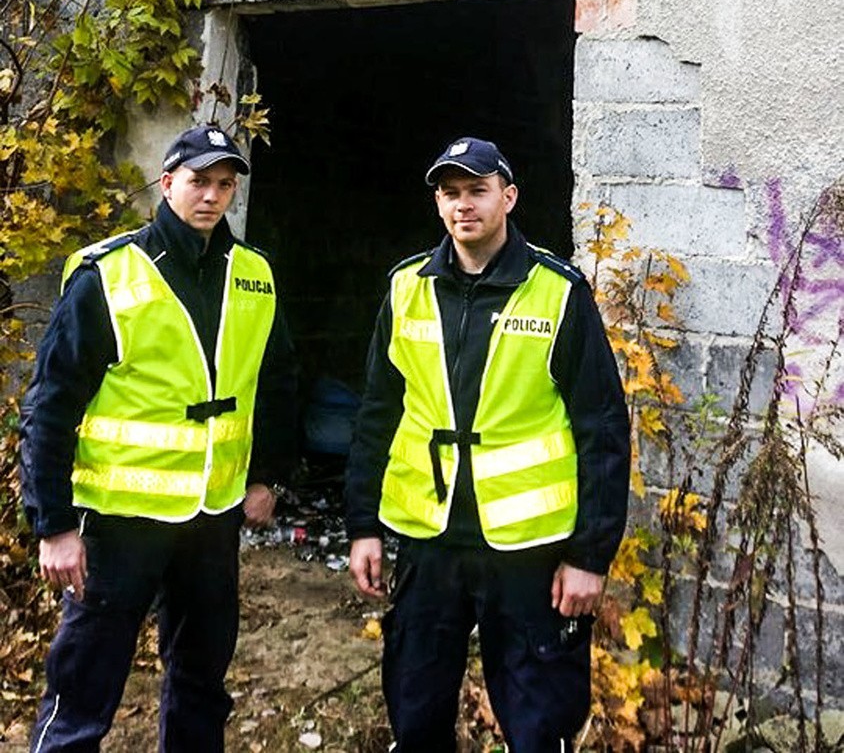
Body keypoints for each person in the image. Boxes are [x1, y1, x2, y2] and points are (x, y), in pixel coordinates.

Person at [346, 136, 631, 753]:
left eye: (477, 190)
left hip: (526, 552)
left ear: (508, 197)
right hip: (428, 541)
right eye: (450, 193)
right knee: (416, 716)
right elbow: (377, 413)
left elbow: (603, 427)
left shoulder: (556, 291)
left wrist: (590, 555)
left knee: (537, 728)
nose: (462, 205)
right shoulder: (406, 289)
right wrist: (363, 523)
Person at [20, 123, 298, 753]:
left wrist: (268, 475)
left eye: (225, 184)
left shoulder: (254, 275)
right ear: (168, 182)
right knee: (84, 684)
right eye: (200, 181)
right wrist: (53, 525)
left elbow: (277, 381)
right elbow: (50, 404)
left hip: (212, 515)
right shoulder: (108, 276)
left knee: (202, 680)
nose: (212, 196)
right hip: (119, 521)